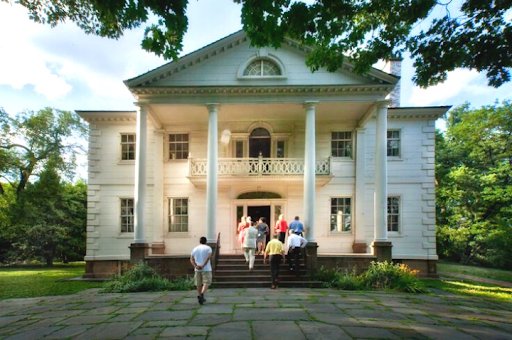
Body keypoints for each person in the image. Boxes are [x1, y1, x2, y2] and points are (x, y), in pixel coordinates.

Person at [190, 236, 212, 305]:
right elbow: (208, 257)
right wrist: (203, 265)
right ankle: (202, 295)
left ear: (200, 241)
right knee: (206, 282)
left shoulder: (195, 249)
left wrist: (195, 266)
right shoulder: (208, 248)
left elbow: (191, 259)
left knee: (198, 283)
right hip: (206, 269)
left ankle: (200, 296)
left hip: (197, 269)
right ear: (206, 241)